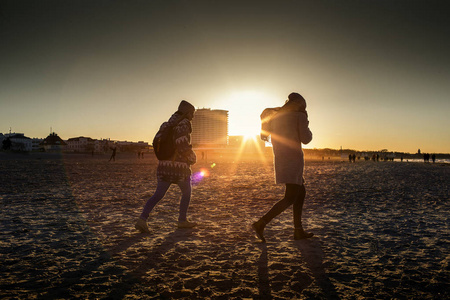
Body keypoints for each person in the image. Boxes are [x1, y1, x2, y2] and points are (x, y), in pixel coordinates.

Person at [253, 92, 314, 242]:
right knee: (290, 197)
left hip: (281, 158)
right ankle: (261, 223)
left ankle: (298, 231)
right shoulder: (299, 115)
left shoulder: (276, 116)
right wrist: (307, 122)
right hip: (293, 159)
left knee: (300, 192)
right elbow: (306, 139)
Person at [135, 100, 197, 233]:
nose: (193, 116)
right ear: (187, 112)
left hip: (164, 166)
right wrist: (192, 157)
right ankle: (182, 221)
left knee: (158, 194)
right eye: (192, 113)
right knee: (186, 193)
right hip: (179, 168)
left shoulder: (166, 124)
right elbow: (181, 143)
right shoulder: (184, 123)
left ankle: (142, 219)